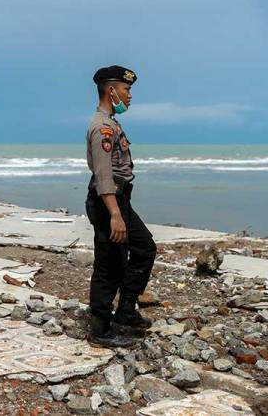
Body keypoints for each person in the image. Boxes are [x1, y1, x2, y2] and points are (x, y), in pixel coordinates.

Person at [85, 65, 157, 348]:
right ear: (111, 90)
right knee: (110, 264)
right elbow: (103, 175)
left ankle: (126, 311)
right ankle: (100, 329)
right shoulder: (102, 127)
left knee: (144, 248)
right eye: (126, 90)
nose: (129, 96)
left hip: (119, 199)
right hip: (108, 202)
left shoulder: (113, 123)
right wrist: (115, 214)